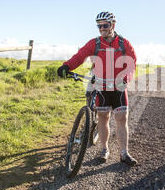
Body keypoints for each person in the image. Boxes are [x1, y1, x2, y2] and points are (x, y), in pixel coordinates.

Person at [57, 11, 138, 166]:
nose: (102, 29)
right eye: (99, 26)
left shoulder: (124, 43)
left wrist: (126, 79)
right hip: (101, 84)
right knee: (103, 117)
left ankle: (124, 153)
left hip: (119, 86)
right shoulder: (94, 43)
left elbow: (132, 63)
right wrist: (66, 66)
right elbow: (80, 56)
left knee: (121, 118)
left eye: (105, 25)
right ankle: (104, 149)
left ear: (113, 25)